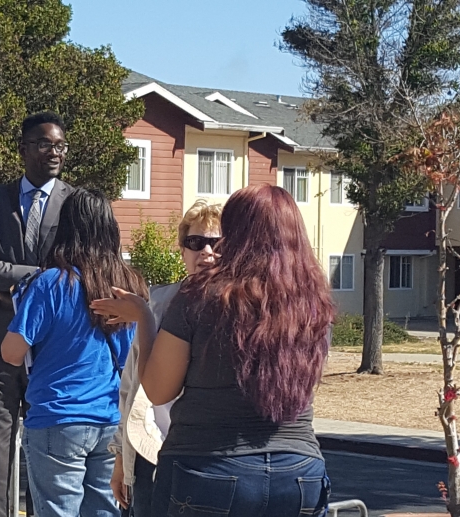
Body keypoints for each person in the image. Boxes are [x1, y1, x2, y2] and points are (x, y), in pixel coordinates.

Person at [92, 184, 335, 517]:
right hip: (300, 473)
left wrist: (146, 320)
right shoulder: (313, 305)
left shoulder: (200, 296)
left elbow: (159, 390)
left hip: (209, 468)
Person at [1, 188, 148, 517]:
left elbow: (12, 352)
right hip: (111, 417)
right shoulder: (131, 286)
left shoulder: (51, 283)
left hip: (57, 416)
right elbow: (133, 357)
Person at [0, 111, 71, 517]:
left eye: (60, 145)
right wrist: (40, 276)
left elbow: (78, 271)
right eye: (45, 144)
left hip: (53, 351)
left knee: (53, 461)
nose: (54, 153)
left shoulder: (75, 204)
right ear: (23, 149)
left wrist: (11, 276)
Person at [106, 200, 222, 517]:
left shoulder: (237, 309)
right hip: (150, 449)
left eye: (217, 243)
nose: (207, 252)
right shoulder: (157, 303)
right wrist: (121, 460)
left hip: (205, 454)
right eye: (196, 242)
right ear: (182, 250)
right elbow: (130, 386)